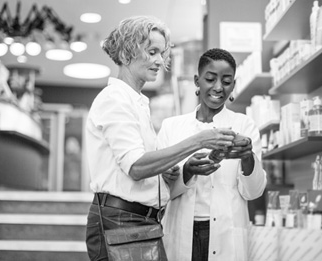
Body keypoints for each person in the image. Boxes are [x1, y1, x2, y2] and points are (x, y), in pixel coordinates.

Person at [85, 17, 237, 261]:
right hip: (120, 222)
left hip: (138, 222)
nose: (159, 61)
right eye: (152, 51)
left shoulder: (136, 103)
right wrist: (200, 140)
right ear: (126, 53)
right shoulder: (115, 99)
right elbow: (135, 167)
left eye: (161, 53)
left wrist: (164, 174)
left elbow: (136, 164)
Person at [157, 48, 267, 261]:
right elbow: (159, 194)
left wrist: (247, 157)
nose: (218, 87)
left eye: (226, 81)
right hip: (181, 232)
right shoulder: (172, 127)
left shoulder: (244, 125)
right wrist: (186, 172)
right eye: (210, 79)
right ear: (197, 81)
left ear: (233, 85)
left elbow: (253, 192)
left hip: (226, 234)